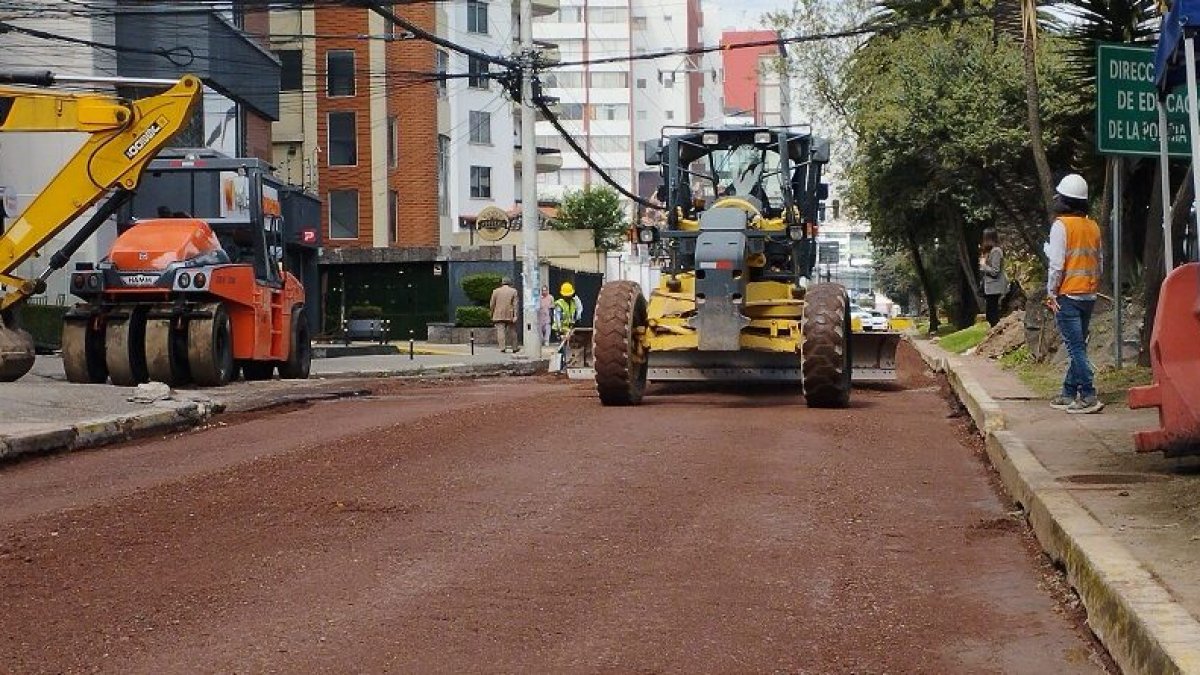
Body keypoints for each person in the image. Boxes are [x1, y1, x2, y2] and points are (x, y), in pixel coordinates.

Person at [1045, 173, 1104, 414]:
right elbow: (1099, 262)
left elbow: (1057, 265)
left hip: (1067, 295)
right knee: (1078, 345)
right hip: (1088, 294)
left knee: (1075, 348)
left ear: (1066, 201)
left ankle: (1088, 394)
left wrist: (1051, 293)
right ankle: (1069, 392)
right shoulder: (1093, 226)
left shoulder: (1061, 226)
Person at [979, 227, 1008, 327]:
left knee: (992, 314)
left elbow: (995, 271)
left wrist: (983, 266)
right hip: (989, 288)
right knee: (990, 314)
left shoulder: (996, 251)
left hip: (994, 287)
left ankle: (998, 333)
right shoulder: (988, 251)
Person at [489, 277, 519, 353]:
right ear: (510, 283)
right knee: (512, 331)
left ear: (502, 283)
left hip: (498, 313)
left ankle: (502, 347)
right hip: (510, 314)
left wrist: (491, 313)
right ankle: (514, 348)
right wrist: (515, 315)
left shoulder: (495, 291)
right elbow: (515, 304)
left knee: (500, 331)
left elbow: (492, 304)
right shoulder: (513, 291)